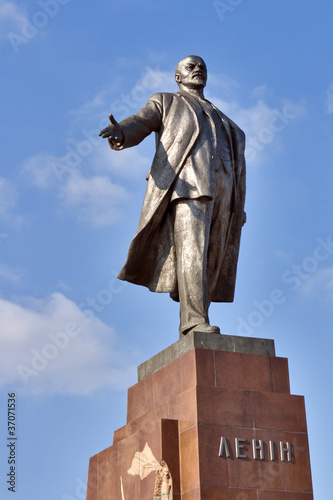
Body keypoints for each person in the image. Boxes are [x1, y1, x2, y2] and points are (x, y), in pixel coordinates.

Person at [99, 55, 246, 335]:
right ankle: (193, 321)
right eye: (190, 67)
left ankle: (198, 316)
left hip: (225, 193)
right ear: (178, 77)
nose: (198, 69)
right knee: (193, 254)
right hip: (189, 187)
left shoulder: (225, 119)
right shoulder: (166, 101)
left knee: (213, 259)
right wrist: (121, 132)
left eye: (201, 66)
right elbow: (142, 121)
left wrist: (239, 205)